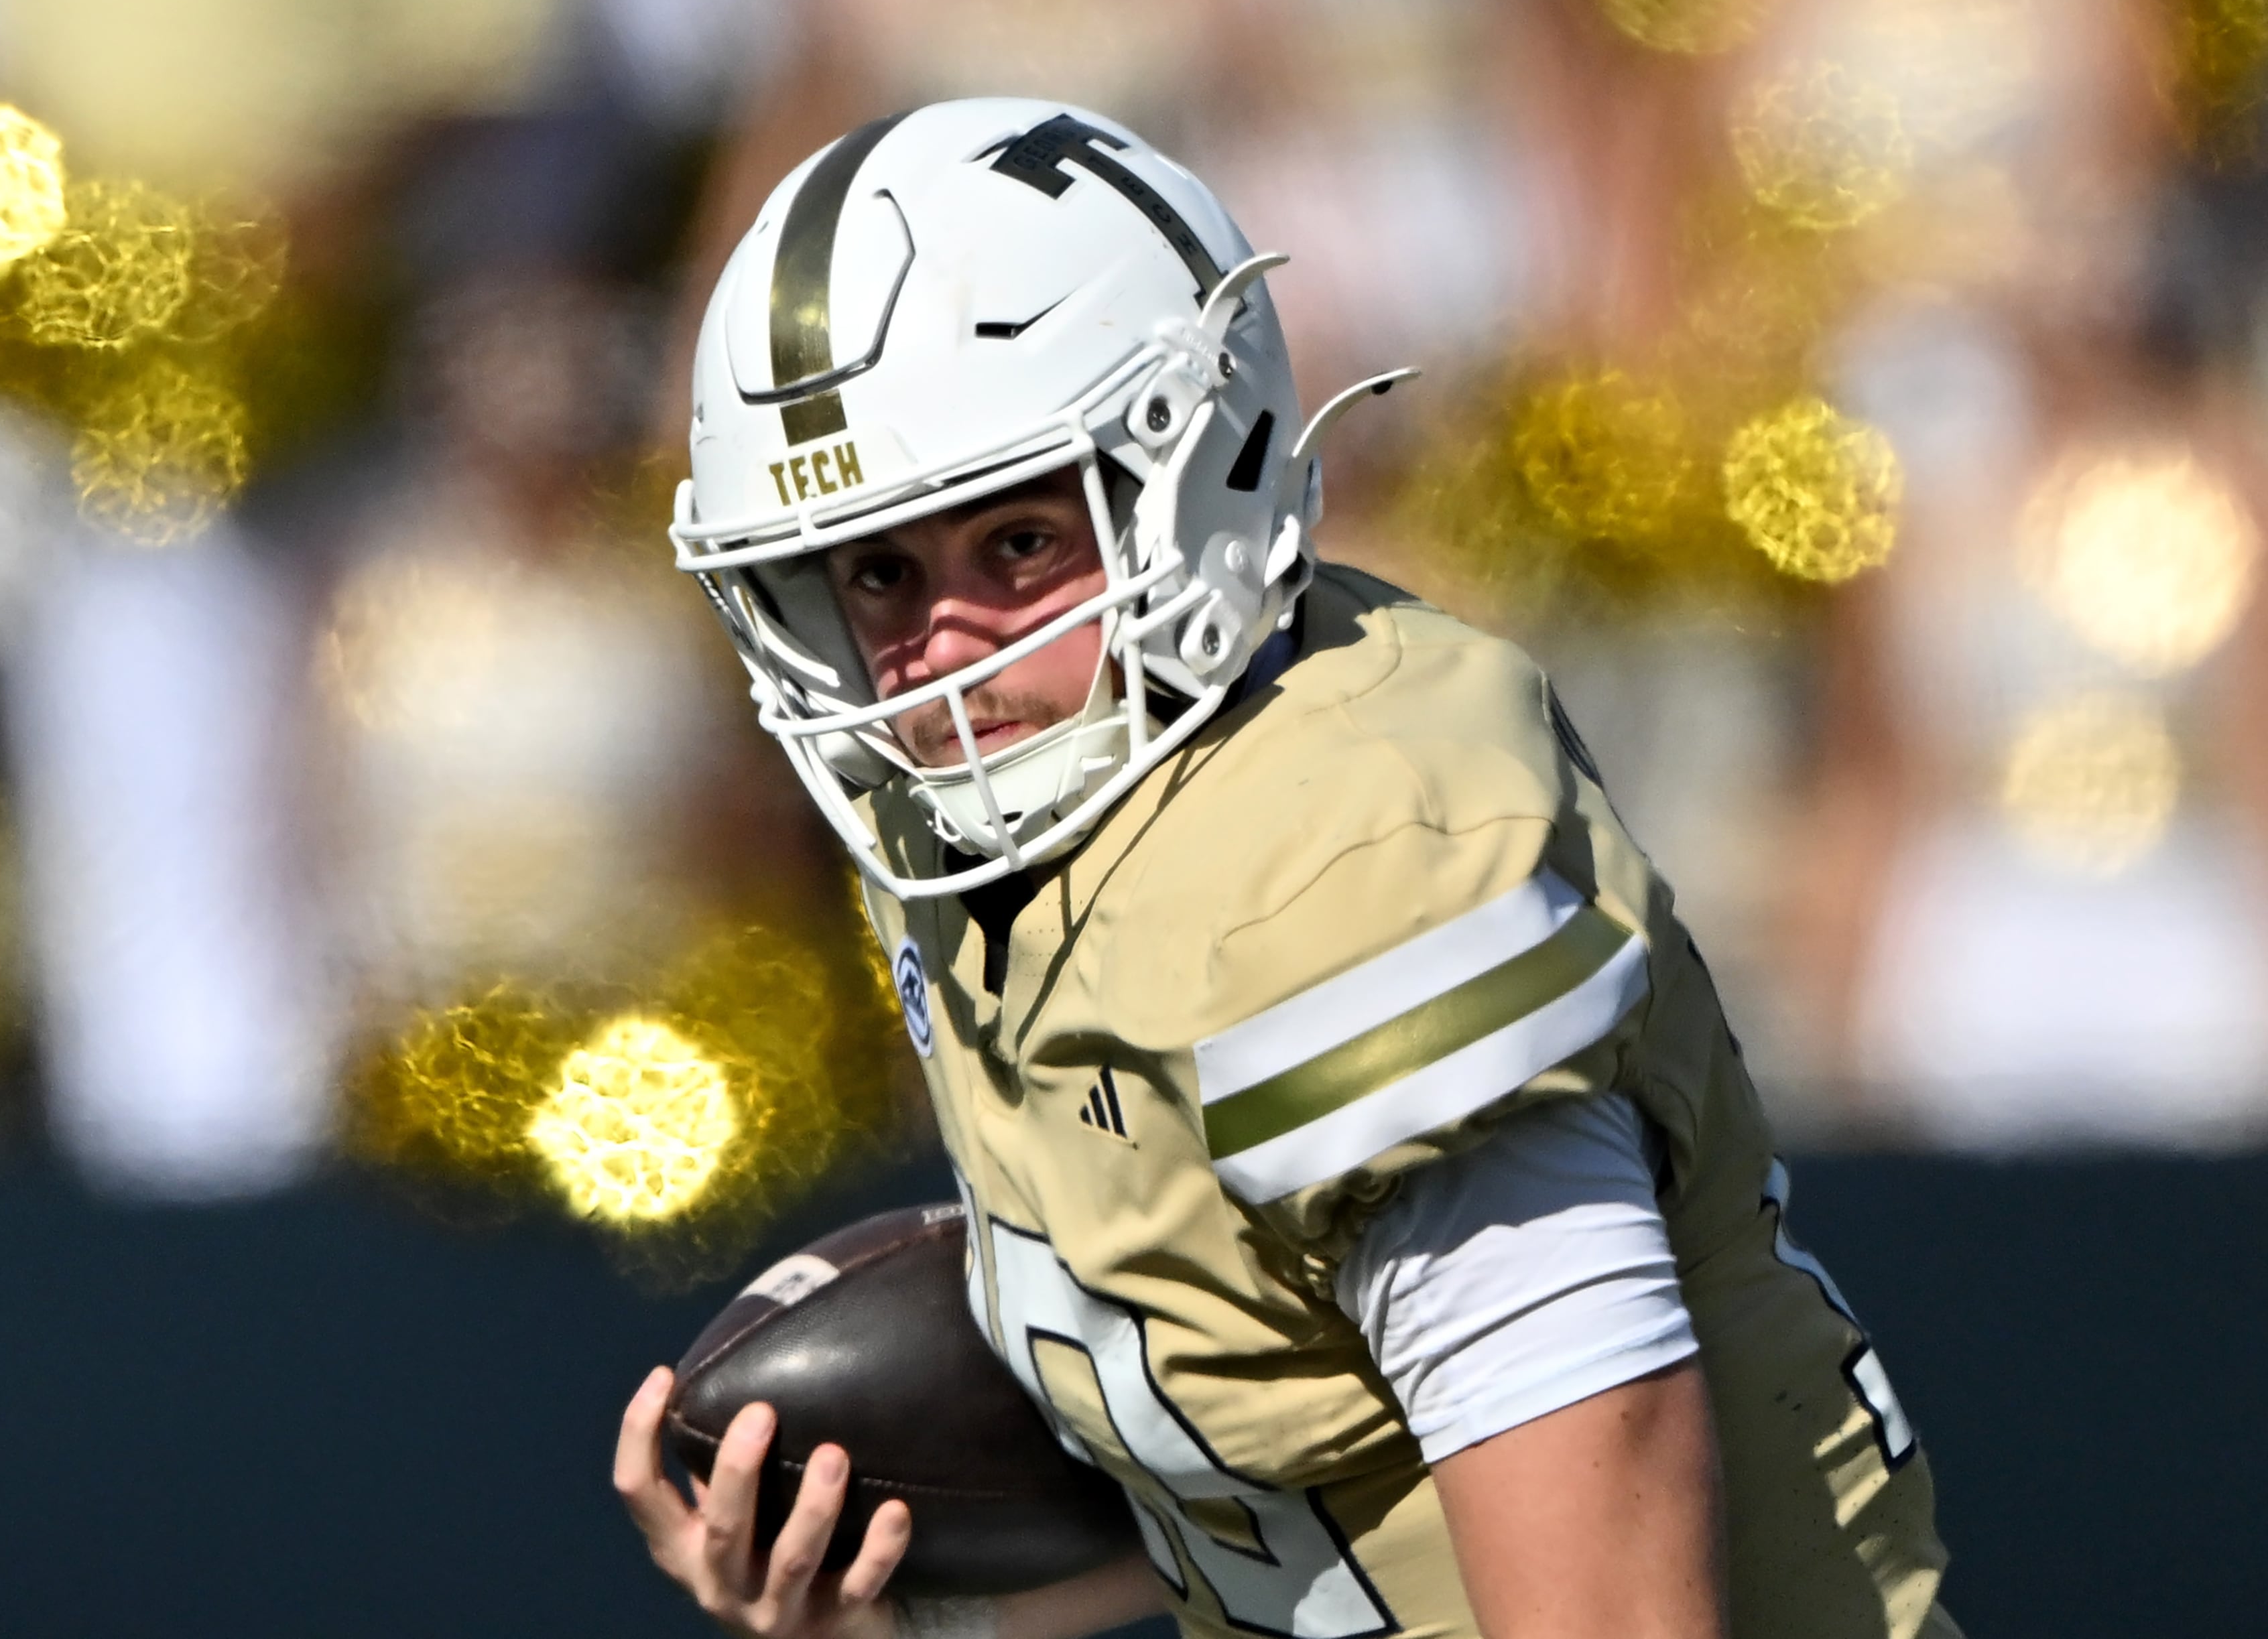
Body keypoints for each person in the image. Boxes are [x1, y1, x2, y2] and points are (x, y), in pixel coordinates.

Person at [615, 98, 1952, 1639]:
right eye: (879, 571)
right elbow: (1296, 1490)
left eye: (1023, 544)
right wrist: (909, 1612)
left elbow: (1610, 1603)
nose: (944, 653)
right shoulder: (998, 839)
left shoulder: (1339, 859)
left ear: (1196, 463)